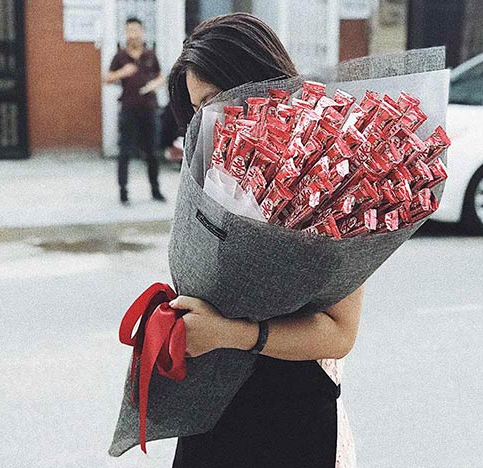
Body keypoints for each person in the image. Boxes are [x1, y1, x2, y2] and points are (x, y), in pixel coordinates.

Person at [167, 13, 363, 468]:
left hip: (294, 416)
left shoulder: (328, 173)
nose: (207, 121)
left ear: (260, 83)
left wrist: (228, 332)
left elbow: (339, 333)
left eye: (216, 101)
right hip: (214, 409)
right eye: (197, 110)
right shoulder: (211, 176)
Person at [103, 17, 166, 204]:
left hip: (149, 109)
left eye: (136, 30)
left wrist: (155, 84)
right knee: (125, 152)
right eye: (129, 30)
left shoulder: (150, 55)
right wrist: (123, 72)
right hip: (128, 110)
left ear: (142, 32)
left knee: (152, 152)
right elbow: (107, 78)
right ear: (125, 33)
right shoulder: (120, 56)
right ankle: (123, 192)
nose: (133, 34)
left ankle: (155, 190)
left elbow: (161, 76)